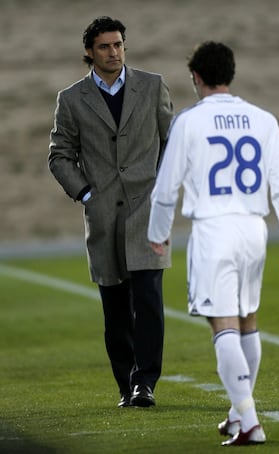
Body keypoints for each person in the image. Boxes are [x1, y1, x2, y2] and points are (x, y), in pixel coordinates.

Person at [147, 41, 279, 445]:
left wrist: (157, 231)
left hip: (214, 229)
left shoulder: (189, 121)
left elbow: (167, 187)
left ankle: (251, 424)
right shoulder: (264, 119)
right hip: (255, 229)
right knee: (247, 320)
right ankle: (238, 414)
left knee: (223, 325)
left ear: (196, 78)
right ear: (230, 74)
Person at [48, 16, 173, 408]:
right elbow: (60, 155)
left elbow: (173, 140)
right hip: (102, 215)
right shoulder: (71, 99)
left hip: (147, 212)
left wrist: (164, 188)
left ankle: (145, 382)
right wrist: (86, 193)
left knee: (149, 300)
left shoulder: (152, 86)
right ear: (89, 52)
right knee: (115, 308)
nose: (114, 52)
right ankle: (126, 384)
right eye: (104, 46)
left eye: (118, 44)